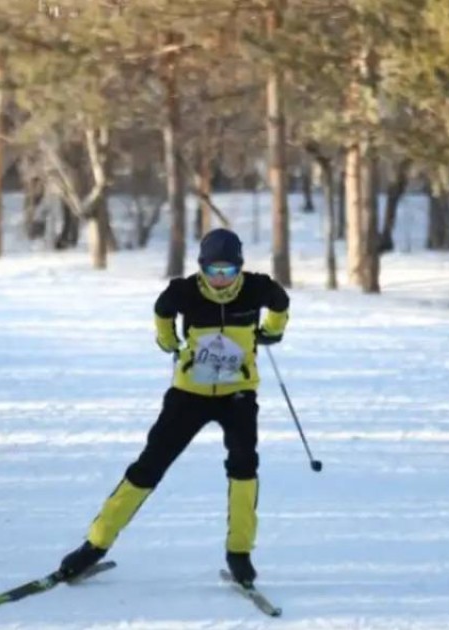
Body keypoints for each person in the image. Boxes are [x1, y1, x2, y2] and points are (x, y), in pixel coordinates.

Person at [57, 228, 290, 587]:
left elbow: (280, 302)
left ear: (240, 268)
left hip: (238, 394)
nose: (220, 280)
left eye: (228, 272)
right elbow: (162, 311)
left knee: (244, 466)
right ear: (201, 268)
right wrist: (169, 343)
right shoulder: (184, 291)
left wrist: (272, 331)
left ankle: (239, 553)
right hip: (189, 395)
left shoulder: (257, 288)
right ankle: (95, 544)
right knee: (150, 464)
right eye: (213, 271)